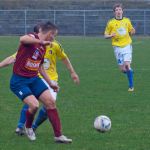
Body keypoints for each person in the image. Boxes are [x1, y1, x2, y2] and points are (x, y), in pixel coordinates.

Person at [9, 21, 72, 143]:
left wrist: (51, 83)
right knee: (34, 105)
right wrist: (40, 42)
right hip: (19, 81)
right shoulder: (33, 37)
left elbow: (40, 67)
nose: (54, 38)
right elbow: (22, 39)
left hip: (34, 79)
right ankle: (28, 127)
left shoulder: (43, 47)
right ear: (50, 34)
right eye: (54, 35)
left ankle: (58, 136)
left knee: (51, 102)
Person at [104, 3, 135, 92]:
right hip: (117, 47)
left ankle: (131, 86)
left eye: (120, 9)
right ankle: (130, 72)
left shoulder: (127, 20)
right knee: (123, 69)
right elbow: (105, 35)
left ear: (122, 11)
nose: (118, 11)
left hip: (127, 46)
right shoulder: (111, 23)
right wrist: (110, 35)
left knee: (127, 65)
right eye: (116, 10)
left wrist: (133, 31)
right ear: (114, 12)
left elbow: (131, 30)